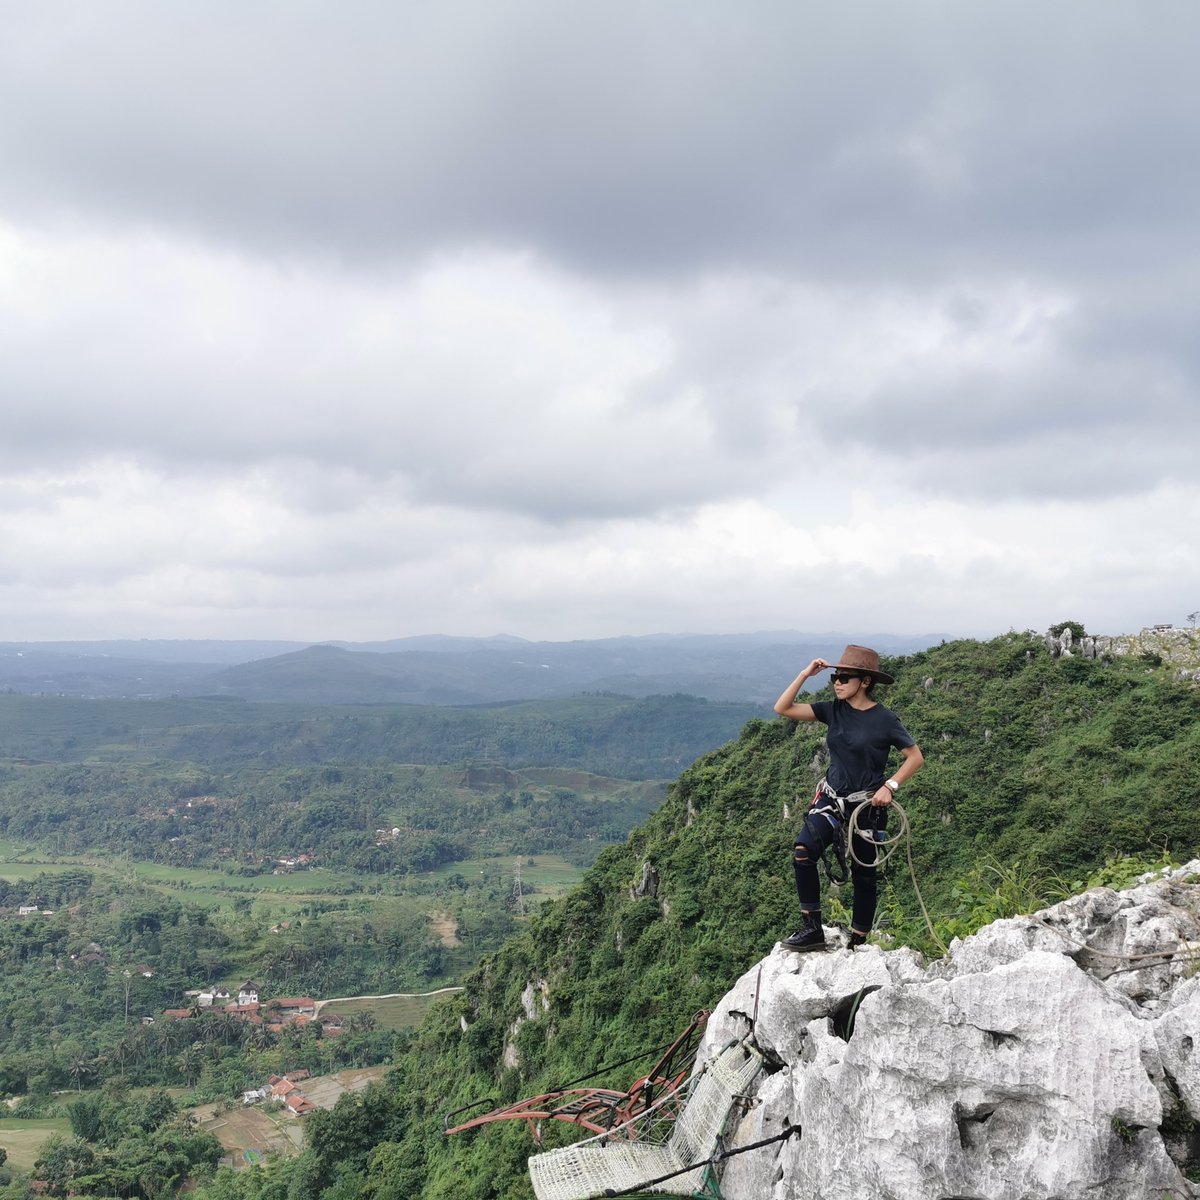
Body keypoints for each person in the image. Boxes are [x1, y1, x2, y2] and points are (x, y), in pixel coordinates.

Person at [772, 644, 924, 952]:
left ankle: (858, 941)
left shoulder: (885, 720)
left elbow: (915, 757)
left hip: (867, 805)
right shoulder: (833, 710)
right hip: (831, 798)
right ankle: (812, 928)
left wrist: (890, 786)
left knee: (864, 874)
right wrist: (805, 674)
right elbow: (783, 708)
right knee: (804, 850)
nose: (838, 682)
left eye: (845, 677)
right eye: (835, 678)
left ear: (865, 681)